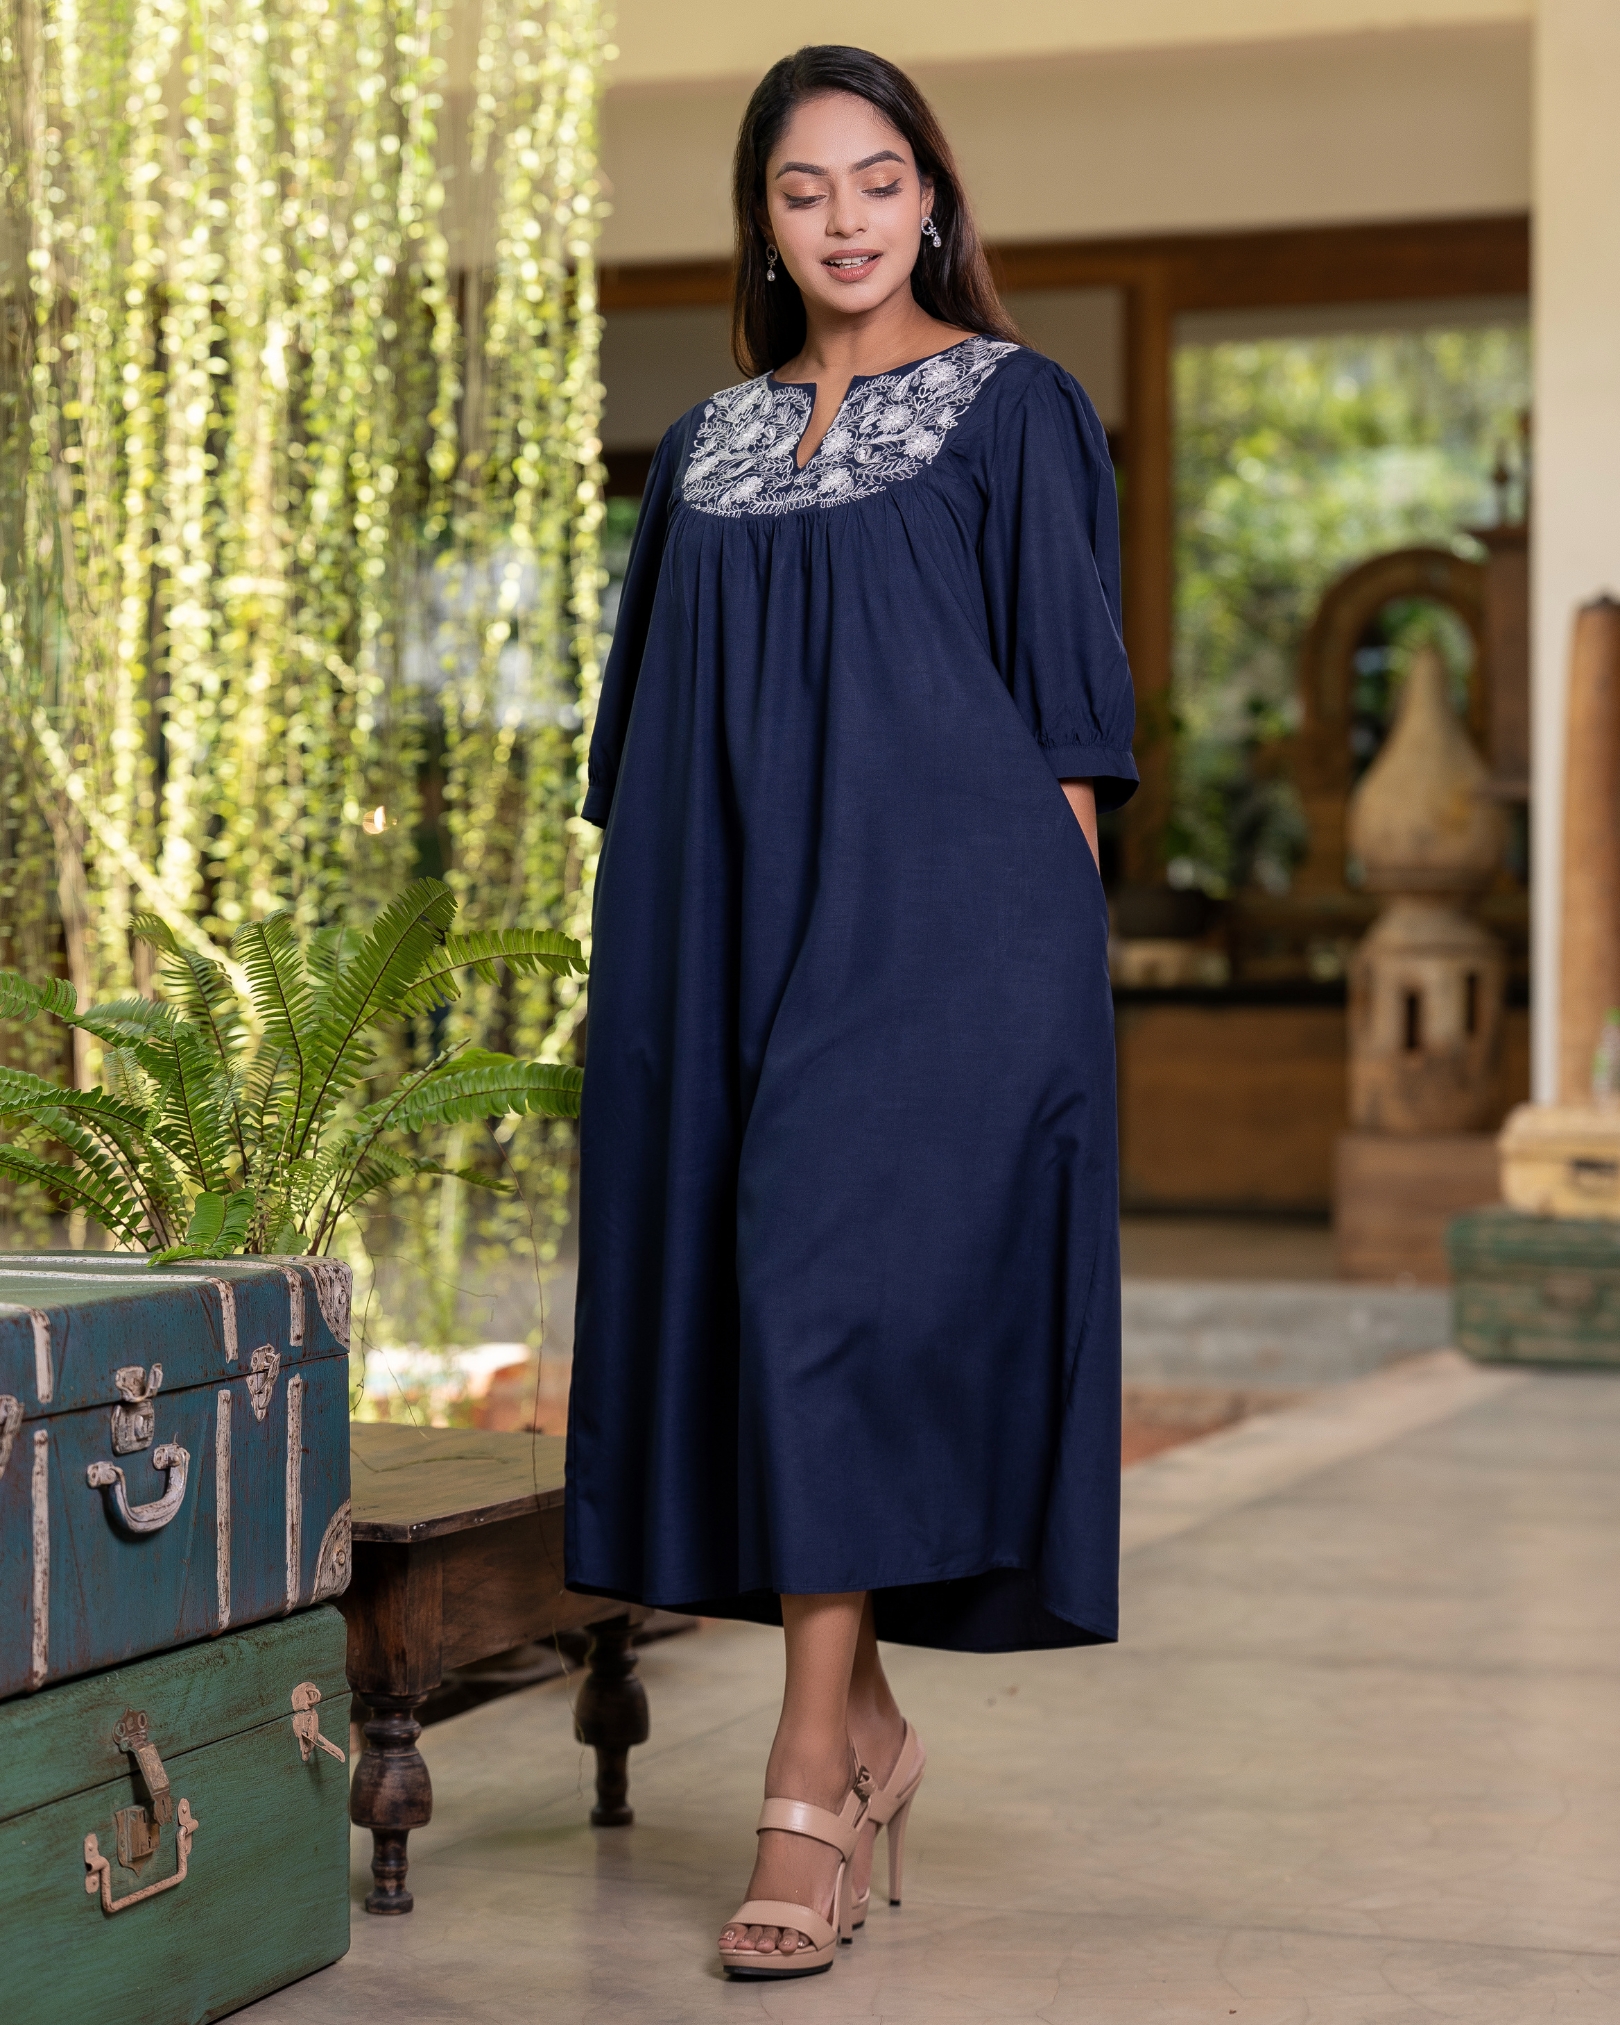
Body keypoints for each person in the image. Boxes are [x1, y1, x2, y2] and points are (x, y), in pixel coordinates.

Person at [566, 43, 1137, 1980]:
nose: (846, 220)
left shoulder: (1017, 409)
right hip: (717, 938)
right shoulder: (704, 453)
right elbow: (647, 757)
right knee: (756, 1328)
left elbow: (1068, 737)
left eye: (880, 180)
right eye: (804, 188)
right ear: (762, 218)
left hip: (946, 947)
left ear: (933, 196)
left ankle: (806, 1779)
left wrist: (1049, 1003)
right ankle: (873, 1717)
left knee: (826, 1293)